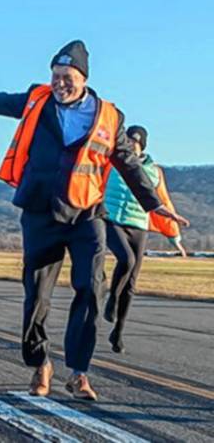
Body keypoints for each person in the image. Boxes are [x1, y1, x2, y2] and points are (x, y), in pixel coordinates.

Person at [0, 40, 189, 401]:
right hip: (41, 212)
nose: (59, 83)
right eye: (55, 76)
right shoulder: (36, 100)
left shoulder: (110, 117)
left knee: (90, 287)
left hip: (86, 214)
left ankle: (79, 372)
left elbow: (128, 164)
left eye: (67, 77)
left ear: (83, 78)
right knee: (37, 295)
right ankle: (41, 364)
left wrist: (154, 204)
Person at [102, 125, 185, 353]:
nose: (130, 146)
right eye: (128, 141)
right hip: (111, 219)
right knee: (126, 260)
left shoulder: (155, 172)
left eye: (135, 143)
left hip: (139, 224)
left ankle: (118, 330)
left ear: (142, 146)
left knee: (131, 283)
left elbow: (163, 203)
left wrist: (173, 236)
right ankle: (112, 298)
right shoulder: (110, 161)